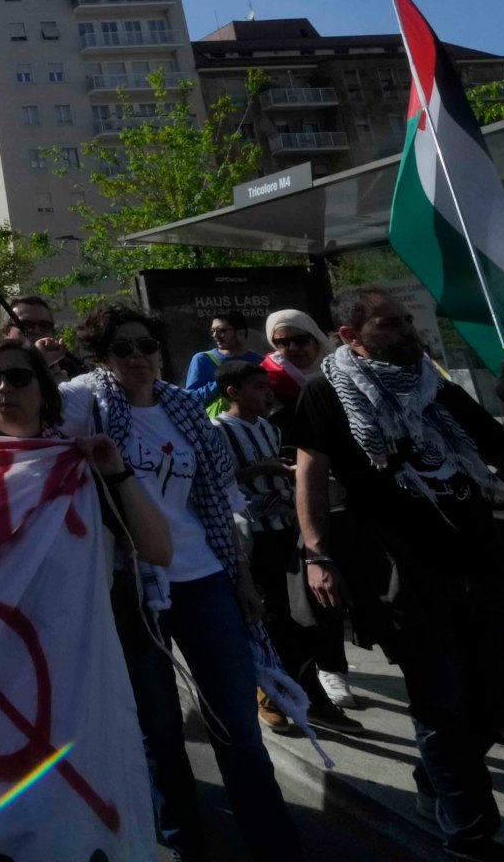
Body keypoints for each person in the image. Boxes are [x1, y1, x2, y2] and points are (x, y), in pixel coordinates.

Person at [295, 287, 504, 861]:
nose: (409, 332)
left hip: (482, 568)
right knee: (442, 704)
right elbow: (309, 478)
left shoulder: (440, 391)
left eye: (408, 321)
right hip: (403, 576)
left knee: (494, 701)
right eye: (390, 325)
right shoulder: (324, 394)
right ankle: (470, 834)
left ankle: (434, 780)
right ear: (350, 337)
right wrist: (317, 554)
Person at [61, 304, 301, 862]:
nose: (137, 356)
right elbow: (30, 424)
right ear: (102, 358)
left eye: (146, 345)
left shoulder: (185, 411)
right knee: (160, 733)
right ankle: (182, 846)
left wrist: (240, 574)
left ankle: (275, 846)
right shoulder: (86, 402)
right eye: (122, 348)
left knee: (238, 729)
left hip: (206, 579)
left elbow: (218, 496)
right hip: (133, 587)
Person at [213, 358, 361, 738]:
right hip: (253, 536)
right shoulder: (218, 431)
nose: (267, 393)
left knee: (305, 615)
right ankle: (272, 690)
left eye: (267, 386)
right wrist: (263, 469)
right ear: (233, 392)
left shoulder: (269, 428)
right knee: (272, 616)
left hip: (287, 530)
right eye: (259, 387)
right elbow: (217, 481)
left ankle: (310, 695)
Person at [0, 337, 172, 567]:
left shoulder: (76, 462)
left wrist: (119, 475)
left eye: (18, 377)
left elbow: (159, 552)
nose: (3, 387)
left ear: (43, 388)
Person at [259, 308, 360, 712]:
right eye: (281, 343)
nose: (292, 349)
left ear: (318, 337)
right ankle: (331, 669)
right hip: (302, 503)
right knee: (322, 592)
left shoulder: (344, 374)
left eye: (300, 339)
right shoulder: (268, 385)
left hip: (356, 497)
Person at [183, 312, 263, 400]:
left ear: (241, 333)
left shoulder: (260, 361)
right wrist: (221, 382)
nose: (215, 336)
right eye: (212, 331)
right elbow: (191, 398)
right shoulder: (202, 359)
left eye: (222, 331)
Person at [5, 293, 86, 376]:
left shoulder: (70, 366)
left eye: (44, 325)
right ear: (6, 332)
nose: (37, 331)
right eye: (27, 325)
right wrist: (41, 364)